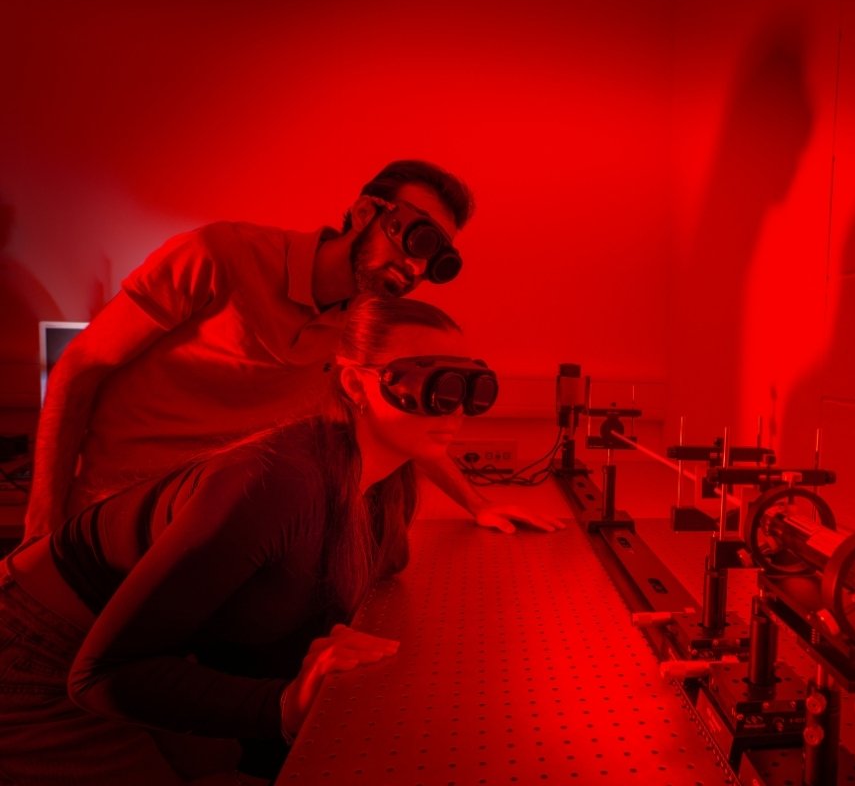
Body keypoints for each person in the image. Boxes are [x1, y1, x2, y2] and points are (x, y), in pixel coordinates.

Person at [0, 296, 523, 784]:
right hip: (36, 653)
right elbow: (102, 677)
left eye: (466, 387)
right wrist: (284, 704)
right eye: (426, 384)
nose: (450, 407)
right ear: (356, 385)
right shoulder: (274, 482)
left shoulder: (379, 482)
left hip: (146, 648)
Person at [23, 160, 551, 540]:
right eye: (416, 241)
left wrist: (476, 504)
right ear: (367, 211)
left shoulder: (356, 330)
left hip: (210, 534)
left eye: (435, 263)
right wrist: (41, 526)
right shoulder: (219, 255)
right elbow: (78, 368)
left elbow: (408, 422)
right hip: (114, 520)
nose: (415, 268)